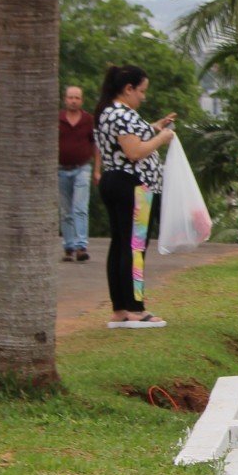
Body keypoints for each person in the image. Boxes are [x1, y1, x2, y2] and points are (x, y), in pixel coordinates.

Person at [93, 64, 175, 329]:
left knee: (120, 245)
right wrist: (162, 138)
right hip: (134, 185)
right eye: (141, 91)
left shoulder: (108, 112)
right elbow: (134, 151)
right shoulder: (123, 114)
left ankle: (120, 309)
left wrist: (154, 127)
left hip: (114, 181)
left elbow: (127, 140)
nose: (143, 97)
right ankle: (136, 308)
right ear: (128, 89)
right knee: (135, 247)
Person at [59, 85, 97, 262]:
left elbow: (96, 145)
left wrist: (97, 170)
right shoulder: (57, 119)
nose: (73, 101)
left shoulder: (88, 120)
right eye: (70, 97)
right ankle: (69, 247)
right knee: (65, 210)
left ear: (81, 101)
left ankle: (81, 246)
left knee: (80, 208)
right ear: (65, 99)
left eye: (77, 98)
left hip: (82, 167)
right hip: (61, 169)